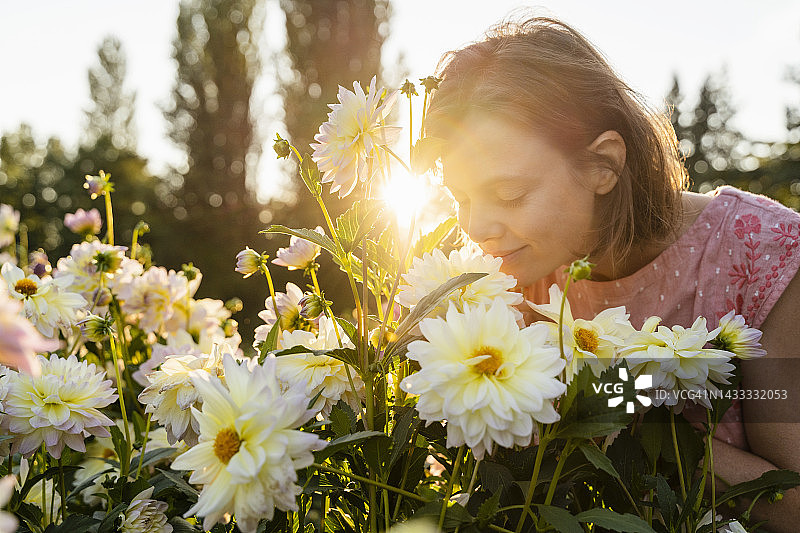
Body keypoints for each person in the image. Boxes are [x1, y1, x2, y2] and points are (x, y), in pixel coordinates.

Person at [422, 16, 800, 531]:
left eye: (509, 194)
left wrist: (621, 401)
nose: (476, 227)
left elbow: (793, 503)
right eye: (460, 198)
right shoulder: (500, 279)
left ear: (604, 165)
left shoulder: (762, 257)